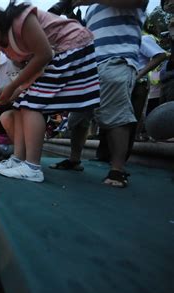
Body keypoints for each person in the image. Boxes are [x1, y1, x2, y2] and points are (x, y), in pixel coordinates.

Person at [0, 1, 100, 182]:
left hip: (72, 45)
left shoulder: (21, 20)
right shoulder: (6, 47)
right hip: (56, 56)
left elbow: (44, 55)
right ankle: (18, 159)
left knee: (30, 104)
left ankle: (32, 166)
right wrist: (15, 90)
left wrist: (13, 86)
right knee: (21, 104)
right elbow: (30, 67)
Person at [49, 0, 148, 188]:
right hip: (89, 64)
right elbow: (86, 35)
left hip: (116, 58)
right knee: (77, 118)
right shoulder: (92, 7)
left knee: (115, 114)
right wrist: (72, 19)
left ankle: (117, 170)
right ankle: (74, 159)